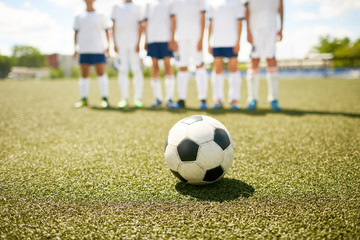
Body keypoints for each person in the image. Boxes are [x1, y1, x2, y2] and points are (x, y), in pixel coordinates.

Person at [245, 0, 284, 111]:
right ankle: (252, 98)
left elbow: (281, 8)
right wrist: (247, 30)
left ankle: (274, 98)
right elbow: (246, 10)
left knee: (271, 59)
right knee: (254, 60)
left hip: (271, 28)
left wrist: (281, 28)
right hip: (255, 29)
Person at [170, 0, 208, 109]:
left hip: (196, 37)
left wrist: (201, 38)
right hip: (181, 38)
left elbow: (203, 17)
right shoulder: (175, 2)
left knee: (199, 66)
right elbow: (173, 20)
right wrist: (173, 38)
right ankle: (182, 99)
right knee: (182, 67)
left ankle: (203, 100)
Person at [73, 0, 111, 108]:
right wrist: (75, 48)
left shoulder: (100, 15)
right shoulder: (79, 16)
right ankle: (84, 99)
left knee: (101, 73)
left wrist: (108, 45)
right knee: (84, 74)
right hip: (84, 50)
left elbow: (107, 31)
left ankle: (105, 98)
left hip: (98, 49)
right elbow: (76, 33)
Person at [208, 0, 245, 109]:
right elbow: (211, 23)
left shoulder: (237, 2)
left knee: (233, 69)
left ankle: (234, 99)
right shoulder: (212, 3)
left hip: (231, 41)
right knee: (217, 69)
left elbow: (239, 22)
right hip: (217, 42)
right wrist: (208, 41)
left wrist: (238, 41)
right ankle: (217, 99)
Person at [111, 0, 145, 109]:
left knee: (136, 70)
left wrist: (139, 42)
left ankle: (138, 98)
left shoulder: (138, 7)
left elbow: (141, 26)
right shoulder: (116, 7)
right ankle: (124, 98)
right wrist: (115, 43)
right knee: (122, 70)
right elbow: (113, 26)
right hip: (121, 44)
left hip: (134, 43)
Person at [143, 0, 177, 108]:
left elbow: (173, 21)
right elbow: (146, 23)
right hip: (152, 40)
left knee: (168, 66)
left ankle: (170, 98)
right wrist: (146, 40)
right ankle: (158, 98)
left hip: (165, 39)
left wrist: (172, 39)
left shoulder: (170, 3)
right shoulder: (149, 4)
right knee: (155, 67)